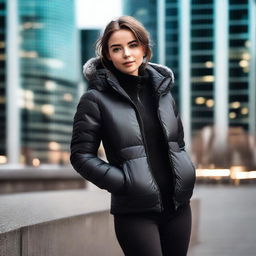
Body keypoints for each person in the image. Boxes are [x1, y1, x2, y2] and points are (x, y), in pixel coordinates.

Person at [70, 16, 196, 256]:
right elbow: (81, 156)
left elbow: (177, 144)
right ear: (107, 56)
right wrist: (124, 183)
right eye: (116, 49)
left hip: (179, 207)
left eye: (133, 45)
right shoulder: (95, 99)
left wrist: (187, 171)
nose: (126, 54)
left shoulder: (164, 95)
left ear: (144, 49)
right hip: (135, 213)